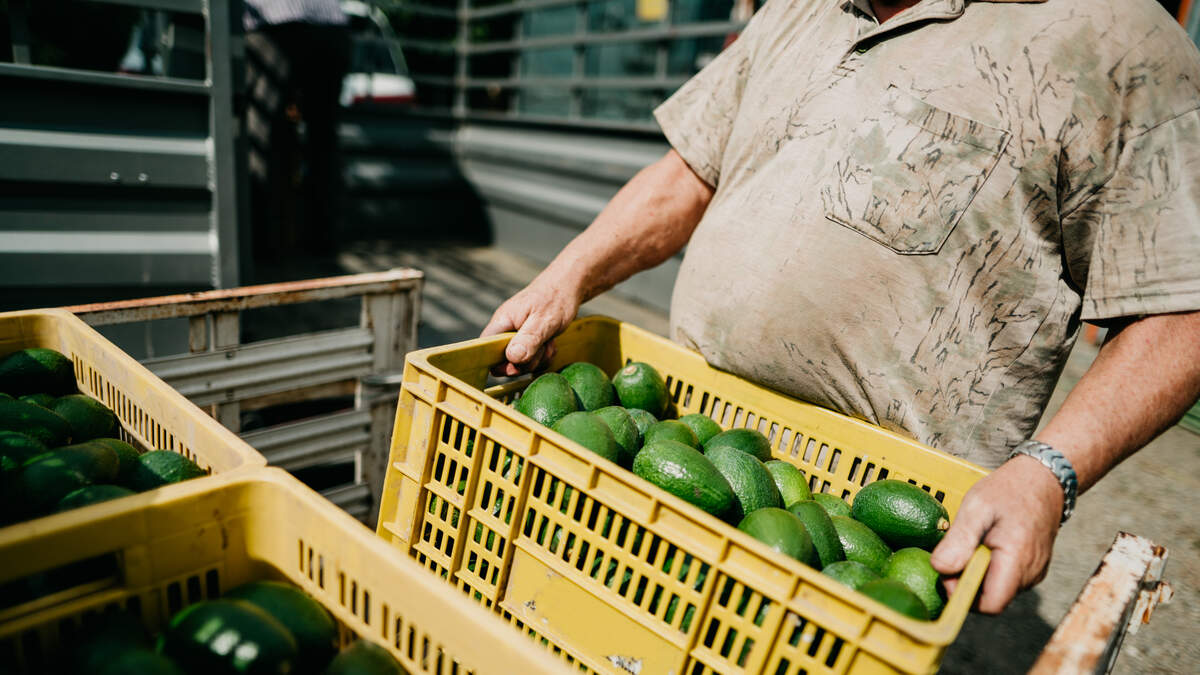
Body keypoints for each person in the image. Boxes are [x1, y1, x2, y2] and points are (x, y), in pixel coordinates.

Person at [482, 0, 1200, 614]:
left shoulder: (1117, 41)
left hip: (872, 531)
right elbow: (690, 171)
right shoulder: (799, 7)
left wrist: (1049, 474)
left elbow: (1184, 310)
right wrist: (564, 279)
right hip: (684, 444)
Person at [243, 0, 351, 259]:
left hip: (276, 21)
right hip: (333, 24)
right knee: (323, 141)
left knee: (261, 136)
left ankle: (265, 244)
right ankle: (323, 241)